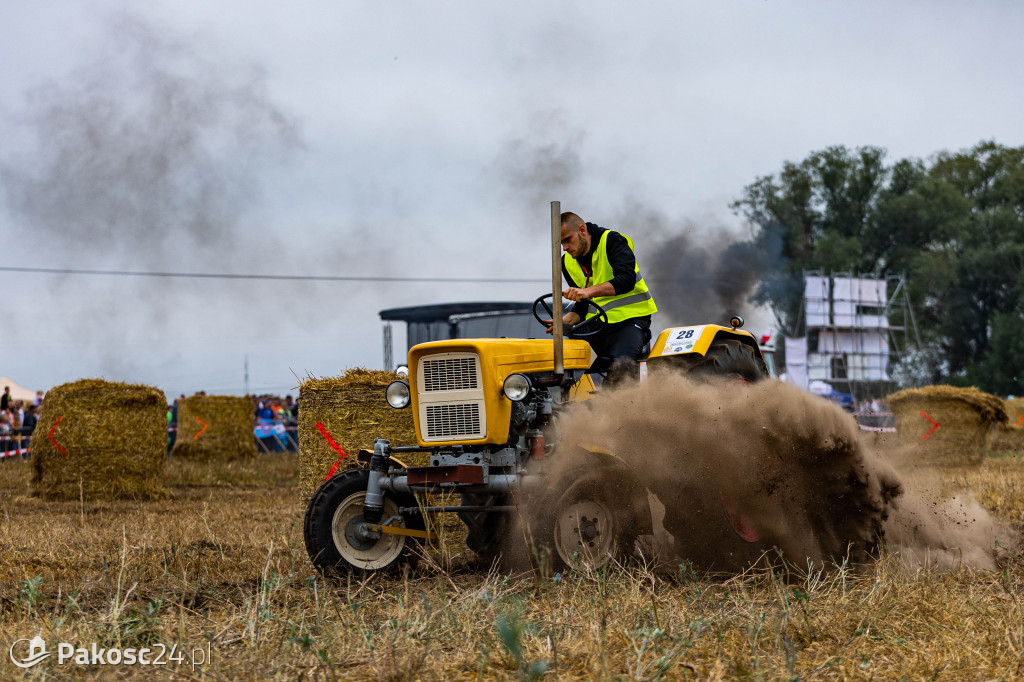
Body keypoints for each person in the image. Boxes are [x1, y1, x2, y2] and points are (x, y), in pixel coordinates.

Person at [545, 211, 658, 385]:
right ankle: (561, 405)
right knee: (560, 364)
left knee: (621, 367)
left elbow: (626, 280)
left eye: (567, 239)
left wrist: (588, 292)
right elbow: (583, 306)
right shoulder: (566, 262)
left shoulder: (613, 241)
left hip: (630, 322)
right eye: (561, 243)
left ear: (582, 230)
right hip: (597, 327)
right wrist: (564, 321)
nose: (565, 247)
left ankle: (617, 407)